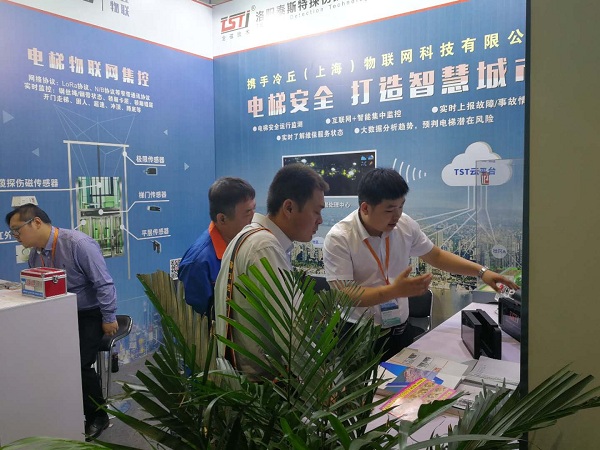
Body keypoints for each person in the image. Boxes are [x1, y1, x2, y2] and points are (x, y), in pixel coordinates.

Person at [323, 168, 519, 362]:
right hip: (359, 336)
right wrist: (393, 291)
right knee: (363, 384)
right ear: (365, 208)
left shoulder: (405, 225)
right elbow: (344, 294)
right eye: (389, 210)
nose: (397, 215)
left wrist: (482, 272)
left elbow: (436, 255)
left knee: (403, 381)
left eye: (401, 207)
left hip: (400, 330)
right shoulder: (340, 238)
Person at [6, 204, 118, 441]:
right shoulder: (35, 254)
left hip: (89, 313)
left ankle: (98, 416)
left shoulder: (78, 244)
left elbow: (104, 283)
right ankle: (62, 411)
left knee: (79, 363)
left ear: (36, 222)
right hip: (58, 314)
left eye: (17, 230)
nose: (16, 236)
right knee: (47, 358)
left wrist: (109, 318)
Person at [214, 164, 328, 379]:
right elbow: (293, 333)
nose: (320, 220)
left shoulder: (249, 236)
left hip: (241, 379)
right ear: (289, 208)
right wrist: (327, 383)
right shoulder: (264, 246)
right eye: (316, 211)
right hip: (259, 385)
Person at [178, 177, 256, 316]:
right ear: (222, 219)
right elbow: (195, 322)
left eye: (254, 209)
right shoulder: (198, 263)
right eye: (247, 213)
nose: (254, 218)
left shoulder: (245, 243)